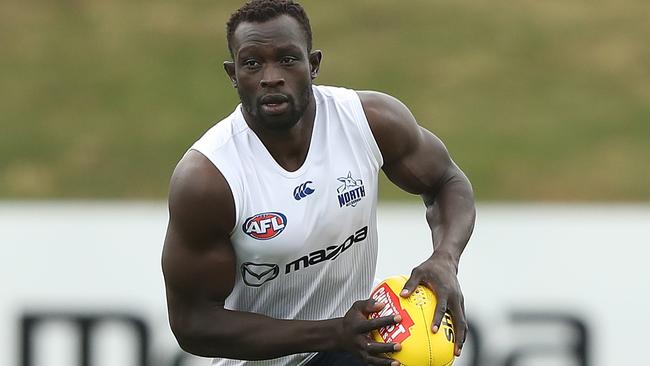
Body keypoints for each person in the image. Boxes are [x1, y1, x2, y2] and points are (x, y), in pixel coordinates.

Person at [161, 1, 475, 365]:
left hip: (348, 349)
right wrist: (332, 332)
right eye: (252, 63)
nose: (271, 76)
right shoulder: (208, 179)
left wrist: (445, 259)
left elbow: (447, 181)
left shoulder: (369, 122)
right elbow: (193, 324)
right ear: (233, 74)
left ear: (313, 65)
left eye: (287, 59)